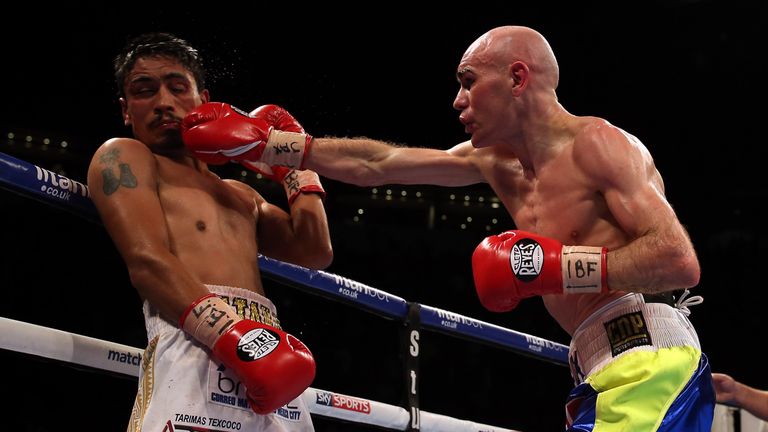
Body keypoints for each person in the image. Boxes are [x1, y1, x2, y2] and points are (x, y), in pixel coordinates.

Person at [180, 25, 714, 430]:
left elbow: (676, 259)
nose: (457, 100)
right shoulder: (497, 164)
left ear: (517, 77)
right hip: (595, 363)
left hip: (646, 355)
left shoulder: (598, 144)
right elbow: (381, 164)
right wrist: (272, 146)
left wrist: (554, 267)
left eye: (467, 82)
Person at [87, 32, 332, 432]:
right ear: (126, 110)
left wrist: (291, 160)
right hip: (194, 344)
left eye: (177, 87)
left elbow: (314, 250)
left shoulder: (242, 195)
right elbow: (147, 262)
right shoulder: (125, 156)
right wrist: (232, 334)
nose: (164, 102)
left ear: (204, 99)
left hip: (268, 350)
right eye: (144, 91)